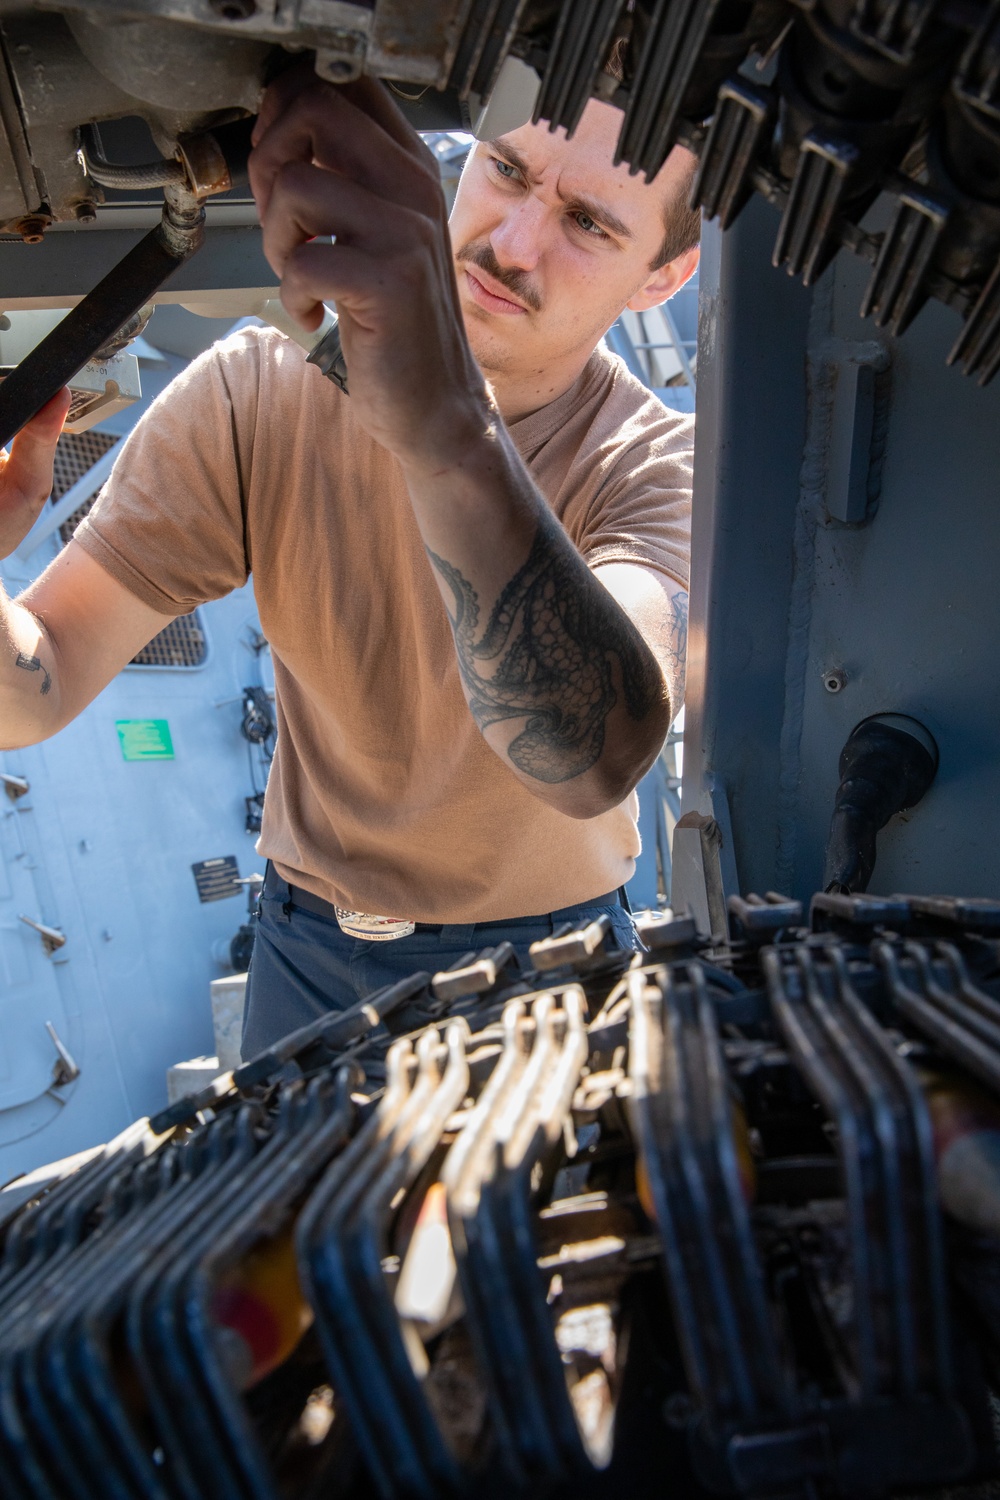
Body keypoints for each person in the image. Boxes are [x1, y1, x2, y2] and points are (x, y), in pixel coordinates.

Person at [0, 61, 699, 1055]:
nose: (511, 245)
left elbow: (592, 758)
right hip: (304, 958)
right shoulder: (261, 390)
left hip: (545, 967)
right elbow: (37, 688)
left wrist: (439, 426)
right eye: (505, 173)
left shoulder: (652, 466)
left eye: (588, 224)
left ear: (664, 276)